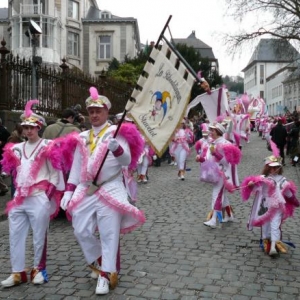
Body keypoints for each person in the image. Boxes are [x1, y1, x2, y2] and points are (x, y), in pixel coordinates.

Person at [59, 87, 145, 295]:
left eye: (99, 111)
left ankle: (106, 274)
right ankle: (99, 261)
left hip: (110, 187)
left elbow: (126, 161)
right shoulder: (81, 137)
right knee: (81, 229)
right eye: (91, 111)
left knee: (109, 233)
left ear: (107, 112)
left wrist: (117, 148)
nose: (95, 115)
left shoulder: (116, 133)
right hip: (87, 189)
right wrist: (69, 191)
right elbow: (77, 168)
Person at [0, 100, 63, 287]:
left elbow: (55, 174)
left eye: (32, 127)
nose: (29, 131)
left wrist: (47, 196)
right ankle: (18, 272)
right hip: (19, 198)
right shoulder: (16, 148)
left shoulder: (48, 146)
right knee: (15, 234)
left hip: (38, 197)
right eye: (25, 127)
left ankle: (39, 268)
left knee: (39, 234)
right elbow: (13, 171)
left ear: (39, 127)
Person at [241, 150, 299, 256]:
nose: (274, 169)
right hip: (265, 206)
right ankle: (266, 243)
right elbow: (253, 186)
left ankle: (273, 246)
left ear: (279, 168)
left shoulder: (283, 180)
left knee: (275, 224)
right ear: (267, 167)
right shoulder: (262, 179)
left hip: (277, 206)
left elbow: (289, 194)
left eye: (276, 167)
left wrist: (296, 202)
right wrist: (250, 184)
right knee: (266, 225)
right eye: (272, 167)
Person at [202, 122, 242, 228]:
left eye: (213, 130)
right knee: (222, 196)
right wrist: (200, 159)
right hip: (214, 174)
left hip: (223, 174)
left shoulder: (226, 144)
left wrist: (215, 153)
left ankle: (214, 220)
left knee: (217, 195)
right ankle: (229, 215)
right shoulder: (212, 143)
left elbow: (227, 163)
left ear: (218, 132)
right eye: (210, 130)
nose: (210, 132)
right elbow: (208, 160)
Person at [0, 118, 11, 195]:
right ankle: (3, 188)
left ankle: (3, 187)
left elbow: (9, 140)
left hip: (1, 153)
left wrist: (2, 142)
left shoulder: (4, 131)